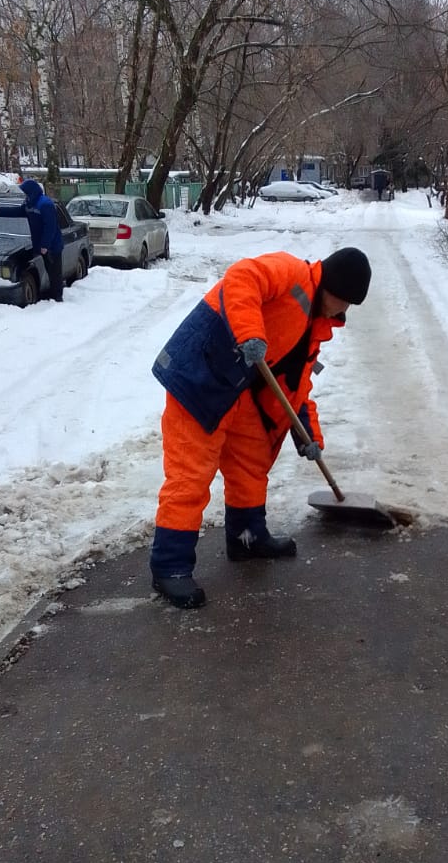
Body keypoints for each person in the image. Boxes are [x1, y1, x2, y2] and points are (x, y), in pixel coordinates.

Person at [150, 247, 372, 609]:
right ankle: (170, 568)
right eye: (343, 302)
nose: (343, 312)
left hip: (241, 391)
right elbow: (241, 277)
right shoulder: (290, 273)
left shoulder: (313, 326)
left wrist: (308, 435)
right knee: (190, 477)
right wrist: (250, 332)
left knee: (251, 464)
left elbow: (296, 387)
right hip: (200, 376)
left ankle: (247, 537)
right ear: (330, 285)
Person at [0, 178, 64, 302]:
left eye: (26, 192)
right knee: (48, 270)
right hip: (41, 245)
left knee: (54, 273)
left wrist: (45, 245)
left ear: (32, 192)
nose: (24, 195)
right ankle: (52, 296)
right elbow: (19, 211)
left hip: (52, 246)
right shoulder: (29, 203)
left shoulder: (45, 204)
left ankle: (57, 298)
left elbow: (50, 227)